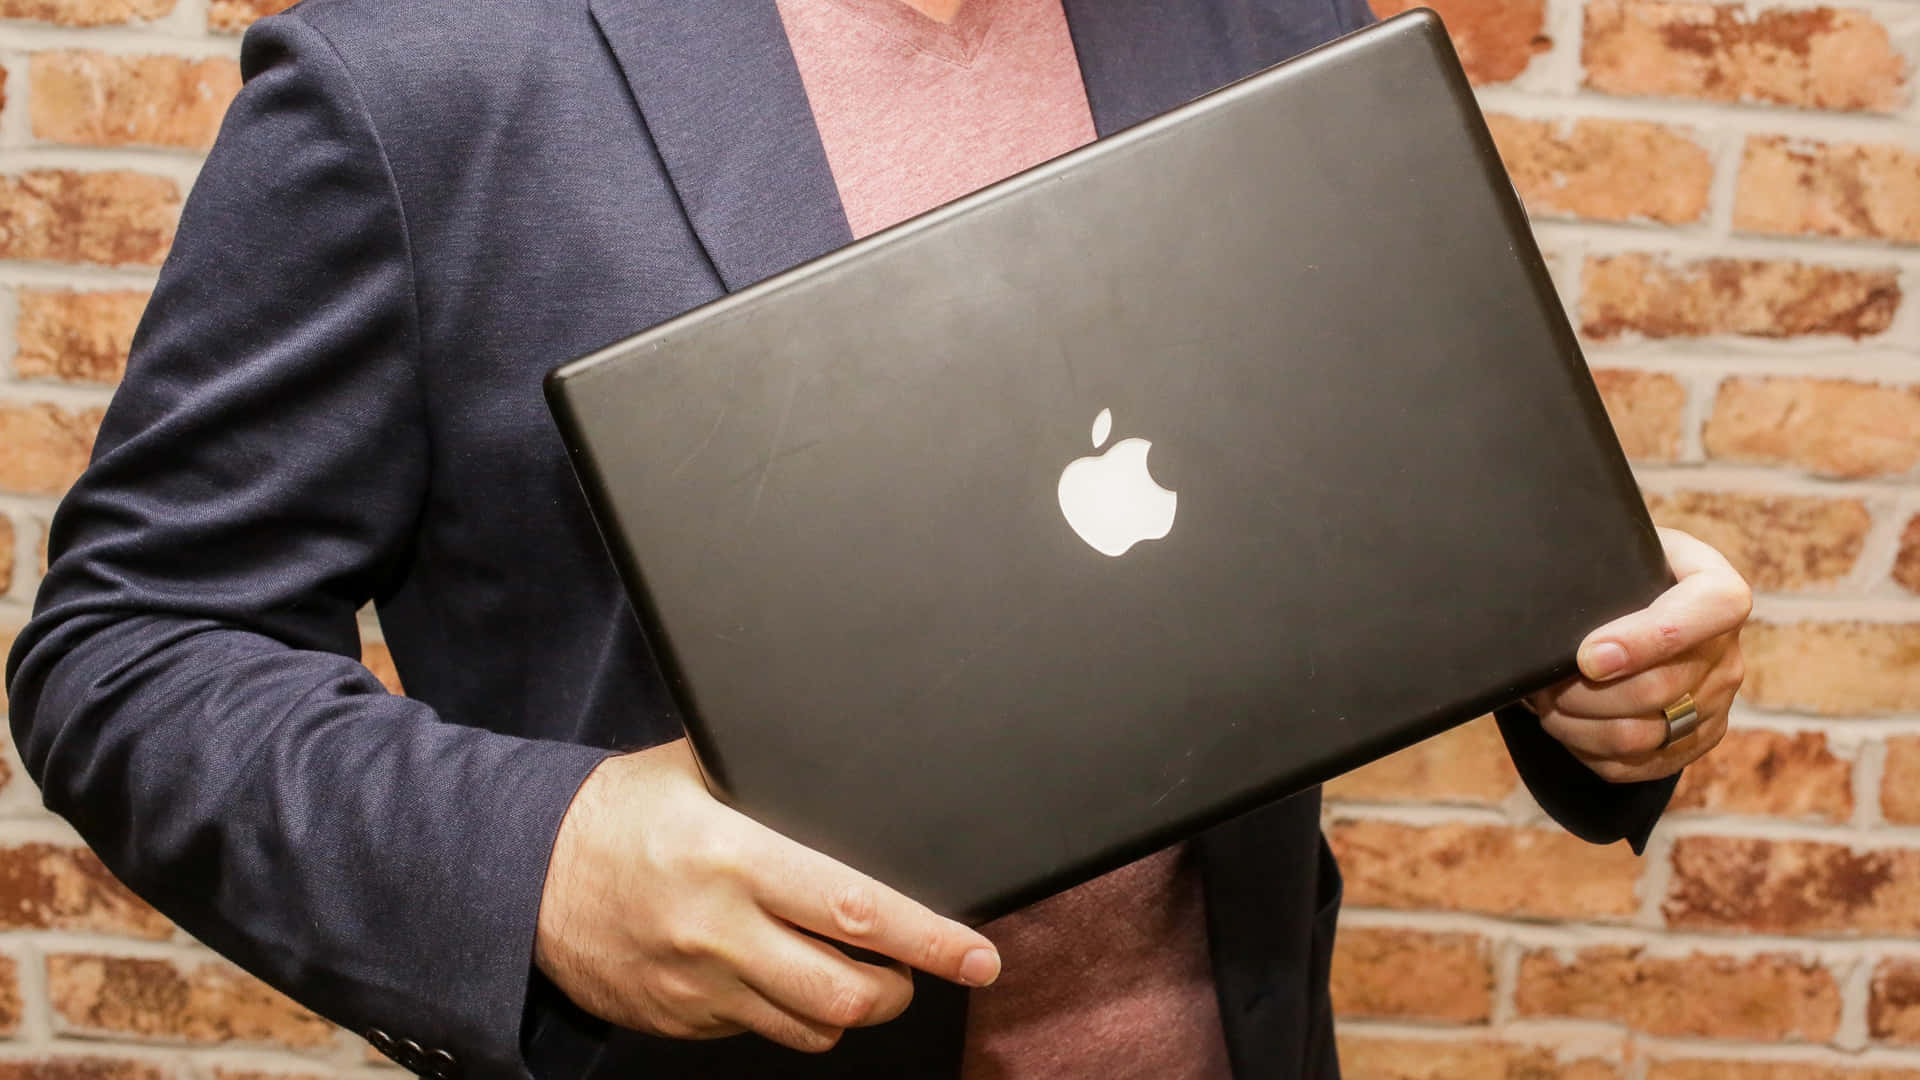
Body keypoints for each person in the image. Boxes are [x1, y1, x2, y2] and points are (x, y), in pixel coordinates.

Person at [4, 0, 1750, 1077]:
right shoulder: (424, 69)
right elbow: (131, 643)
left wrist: (1596, 666)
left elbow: (1305, 511)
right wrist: (543, 860)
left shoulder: (1260, 15)